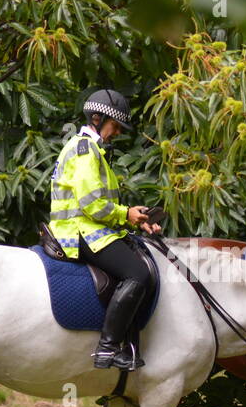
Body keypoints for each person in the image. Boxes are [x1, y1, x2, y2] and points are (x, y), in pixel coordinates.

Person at [50, 89, 162, 370]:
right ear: (97, 119)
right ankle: (108, 347)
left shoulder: (90, 149)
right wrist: (125, 214)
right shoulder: (85, 150)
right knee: (137, 274)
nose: (117, 133)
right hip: (79, 230)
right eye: (115, 126)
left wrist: (135, 218)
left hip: (87, 226)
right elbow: (92, 205)